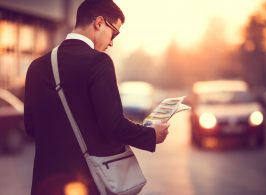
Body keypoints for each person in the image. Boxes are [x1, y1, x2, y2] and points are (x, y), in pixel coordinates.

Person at [24, 0, 170, 194]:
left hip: (45, 184)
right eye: (114, 33)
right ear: (99, 23)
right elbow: (113, 125)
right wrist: (151, 135)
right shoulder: (98, 62)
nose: (111, 42)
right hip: (86, 182)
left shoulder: (36, 66)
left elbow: (31, 127)